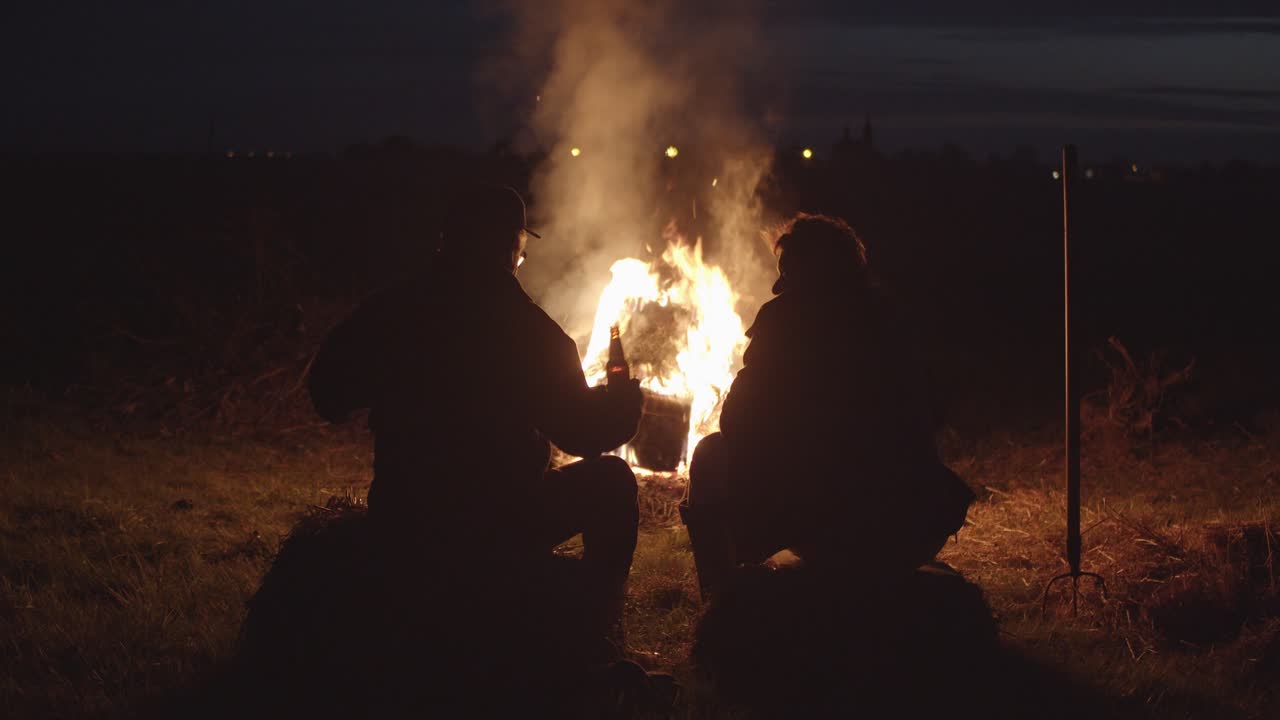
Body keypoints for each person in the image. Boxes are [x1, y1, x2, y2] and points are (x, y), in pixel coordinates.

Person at [307, 184, 645, 642]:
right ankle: (596, 628)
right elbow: (585, 434)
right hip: (498, 523)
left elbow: (327, 394)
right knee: (612, 482)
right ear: (511, 245)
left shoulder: (392, 311)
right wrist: (624, 402)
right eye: (521, 247)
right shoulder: (528, 331)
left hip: (406, 518)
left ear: (447, 239)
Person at [680, 213, 974, 597]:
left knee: (710, 453)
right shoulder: (892, 319)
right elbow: (934, 413)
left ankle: (724, 599)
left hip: (825, 515)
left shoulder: (785, 320)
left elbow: (737, 420)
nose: (778, 284)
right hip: (913, 520)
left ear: (808, 271)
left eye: (787, 271)